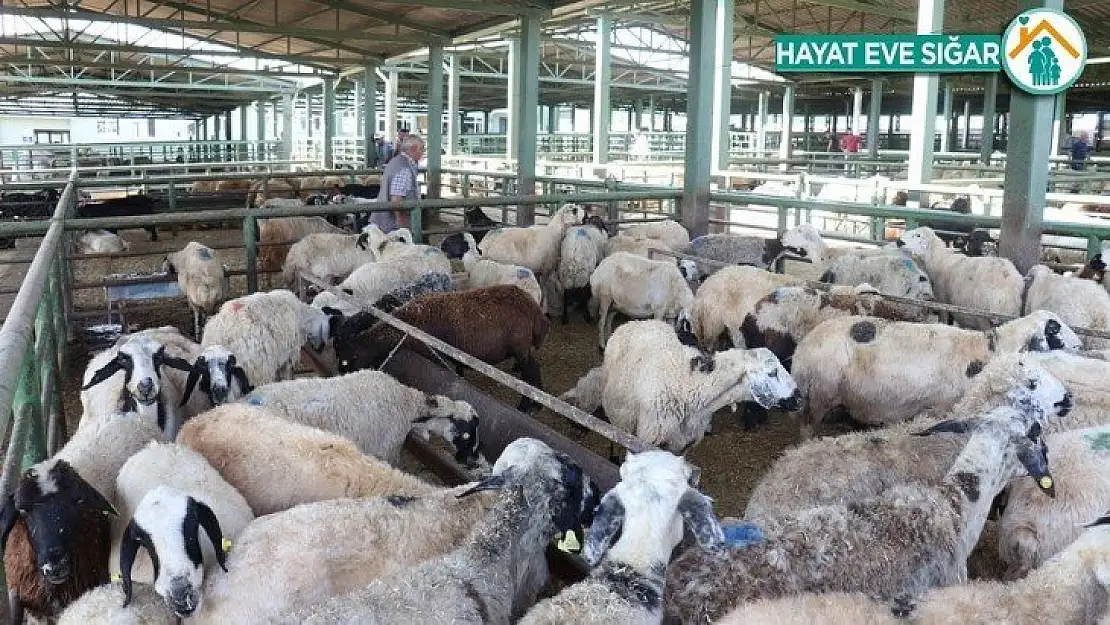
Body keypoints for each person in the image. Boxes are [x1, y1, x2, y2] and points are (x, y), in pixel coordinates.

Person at [374, 133, 424, 232]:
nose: (423, 152)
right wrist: (402, 227)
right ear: (414, 148)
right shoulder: (404, 168)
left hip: (384, 222)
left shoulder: (396, 161)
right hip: (391, 226)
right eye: (422, 149)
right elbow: (396, 200)